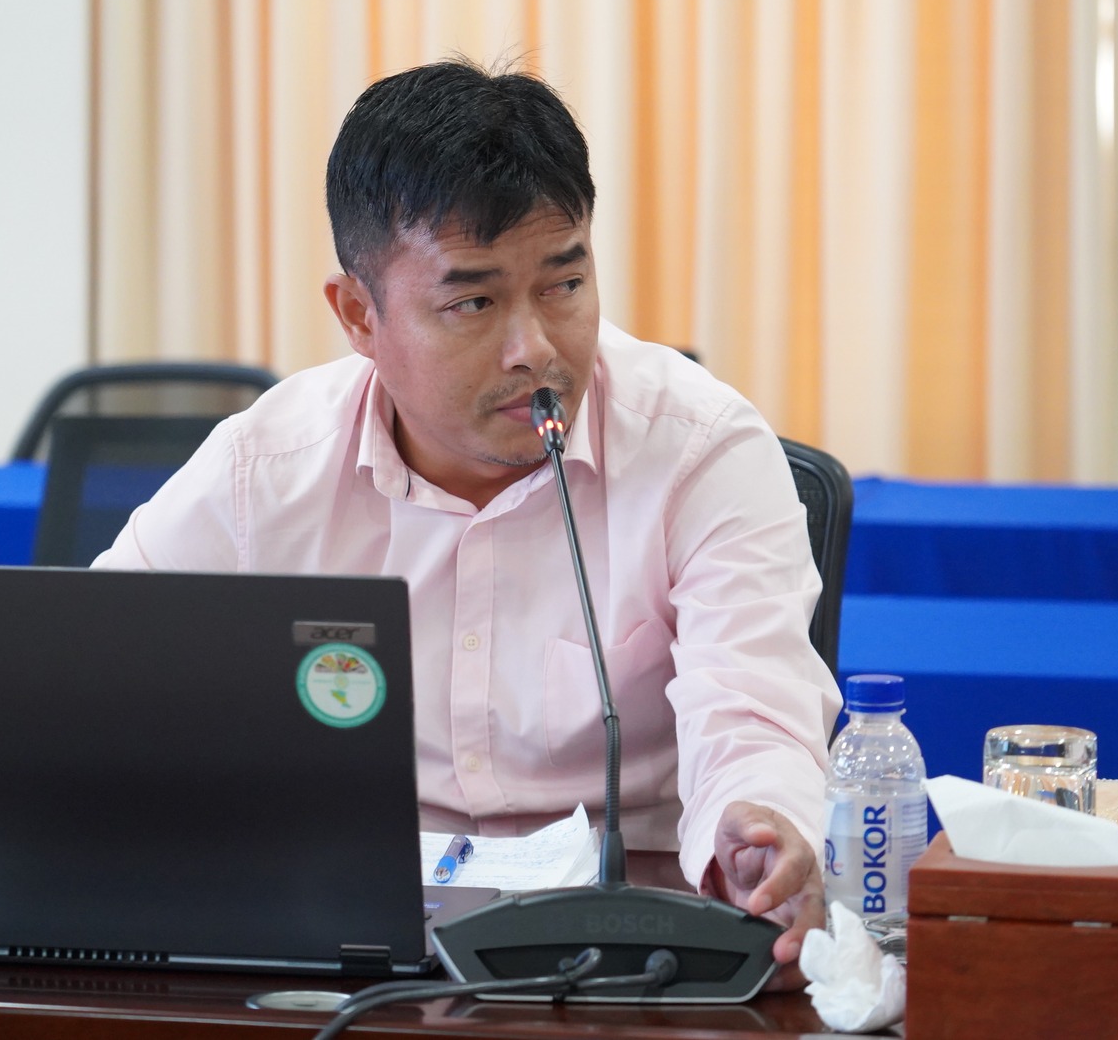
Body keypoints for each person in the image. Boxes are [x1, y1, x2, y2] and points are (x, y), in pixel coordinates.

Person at [97, 61, 838, 984]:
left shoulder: (700, 450)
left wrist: (759, 833)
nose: (535, 349)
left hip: (631, 955)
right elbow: (98, 679)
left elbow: (752, 713)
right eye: (474, 302)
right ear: (359, 314)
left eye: (565, 284)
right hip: (351, 950)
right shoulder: (266, 470)